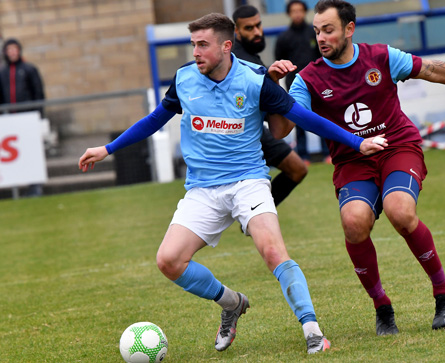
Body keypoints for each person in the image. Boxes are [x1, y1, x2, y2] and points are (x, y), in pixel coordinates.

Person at [78, 13, 385, 354]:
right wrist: (107, 149)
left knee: (272, 251)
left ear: (226, 46)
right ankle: (231, 303)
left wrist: (357, 143)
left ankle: (313, 331)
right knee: (168, 261)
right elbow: (153, 121)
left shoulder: (254, 80)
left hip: (247, 182)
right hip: (202, 189)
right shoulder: (184, 80)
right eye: (193, 44)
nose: (195, 52)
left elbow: (303, 117)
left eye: (203, 45)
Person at [271, 0, 445, 336]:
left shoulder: (381, 57)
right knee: (353, 222)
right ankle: (382, 307)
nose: (321, 38)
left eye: (328, 29)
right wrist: (274, 90)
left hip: (396, 147)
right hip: (352, 161)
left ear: (349, 28)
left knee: (399, 210)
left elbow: (433, 69)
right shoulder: (309, 78)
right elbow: (281, 131)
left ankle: (444, 294)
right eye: (317, 31)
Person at [232, 5, 309, 206]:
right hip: (240, 133)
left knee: (297, 169)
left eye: (258, 25)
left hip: (257, 129)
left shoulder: (251, 55)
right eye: (249, 28)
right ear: (237, 32)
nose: (257, 32)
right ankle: (252, 214)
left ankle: (253, 213)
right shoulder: (239, 61)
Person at [275, 0, 330, 165]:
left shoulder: (314, 34)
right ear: (289, 13)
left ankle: (328, 153)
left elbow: (323, 57)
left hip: (318, 82)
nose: (297, 14)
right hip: (295, 83)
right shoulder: (283, 38)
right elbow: (279, 60)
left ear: (305, 12)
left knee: (323, 116)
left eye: (300, 10)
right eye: (294, 11)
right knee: (297, 117)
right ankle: (303, 156)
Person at [0, 38, 45, 197]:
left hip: (28, 120)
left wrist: (39, 115)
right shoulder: (2, 73)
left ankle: (35, 186)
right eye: (9, 49)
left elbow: (38, 93)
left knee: (31, 152)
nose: (12, 52)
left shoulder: (29, 69)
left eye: (15, 49)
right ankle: (15, 189)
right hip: (10, 122)